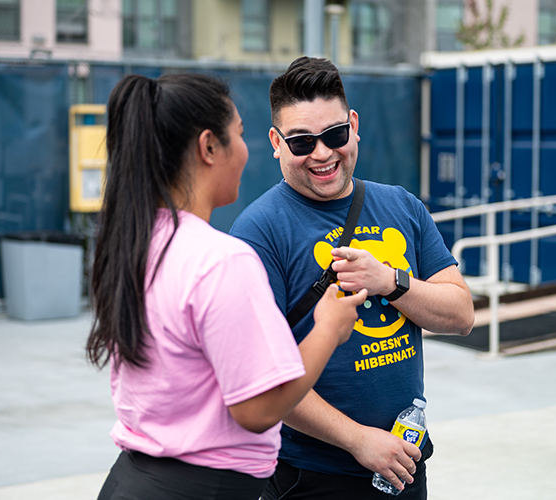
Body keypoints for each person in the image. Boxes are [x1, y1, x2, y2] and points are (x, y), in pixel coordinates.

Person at [86, 73, 367, 500]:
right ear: (208, 147)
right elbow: (257, 410)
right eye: (238, 134)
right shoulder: (221, 259)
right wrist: (329, 327)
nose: (245, 150)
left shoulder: (139, 242)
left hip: (134, 480)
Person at [229, 57, 475, 499]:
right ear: (275, 142)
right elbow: (263, 378)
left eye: (334, 135)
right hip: (309, 477)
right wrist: (358, 440)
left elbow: (461, 314)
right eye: (302, 142)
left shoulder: (402, 206)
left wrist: (391, 280)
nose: (322, 153)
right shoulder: (259, 231)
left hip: (402, 465)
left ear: (354, 125)